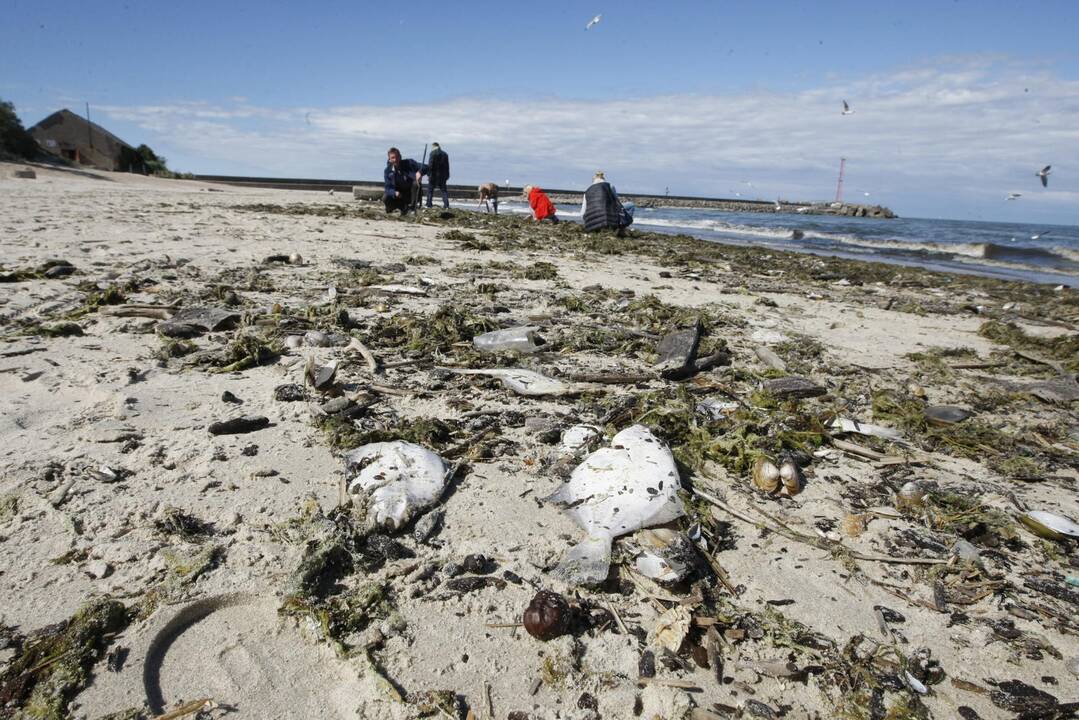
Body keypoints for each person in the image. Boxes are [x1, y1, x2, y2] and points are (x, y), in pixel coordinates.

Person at [383, 147, 428, 215]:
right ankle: (403, 208)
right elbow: (387, 188)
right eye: (393, 158)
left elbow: (426, 167)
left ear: (400, 157)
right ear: (389, 159)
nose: (395, 160)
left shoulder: (409, 163)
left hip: (411, 195)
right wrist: (394, 193)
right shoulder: (388, 171)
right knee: (385, 198)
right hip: (399, 197)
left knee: (416, 183)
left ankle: (412, 209)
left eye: (397, 157)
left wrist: (420, 172)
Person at [426, 142, 450, 209]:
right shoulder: (445, 154)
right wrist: (447, 175)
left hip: (433, 175)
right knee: (444, 191)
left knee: (430, 190)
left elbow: (430, 165)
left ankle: (429, 204)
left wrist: (428, 174)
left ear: (433, 146)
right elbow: (447, 166)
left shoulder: (432, 153)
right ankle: (446, 205)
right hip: (442, 176)